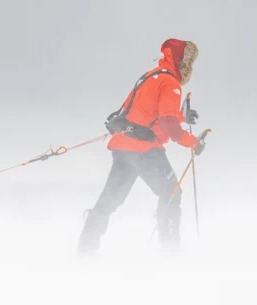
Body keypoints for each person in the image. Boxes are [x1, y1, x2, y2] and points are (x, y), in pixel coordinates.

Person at [78, 38, 206, 254]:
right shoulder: (170, 82)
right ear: (183, 62)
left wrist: (183, 116)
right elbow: (168, 123)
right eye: (189, 62)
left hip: (124, 147)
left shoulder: (153, 75)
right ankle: (170, 251)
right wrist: (194, 143)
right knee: (172, 193)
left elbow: (148, 113)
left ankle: (85, 250)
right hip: (144, 151)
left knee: (110, 200)